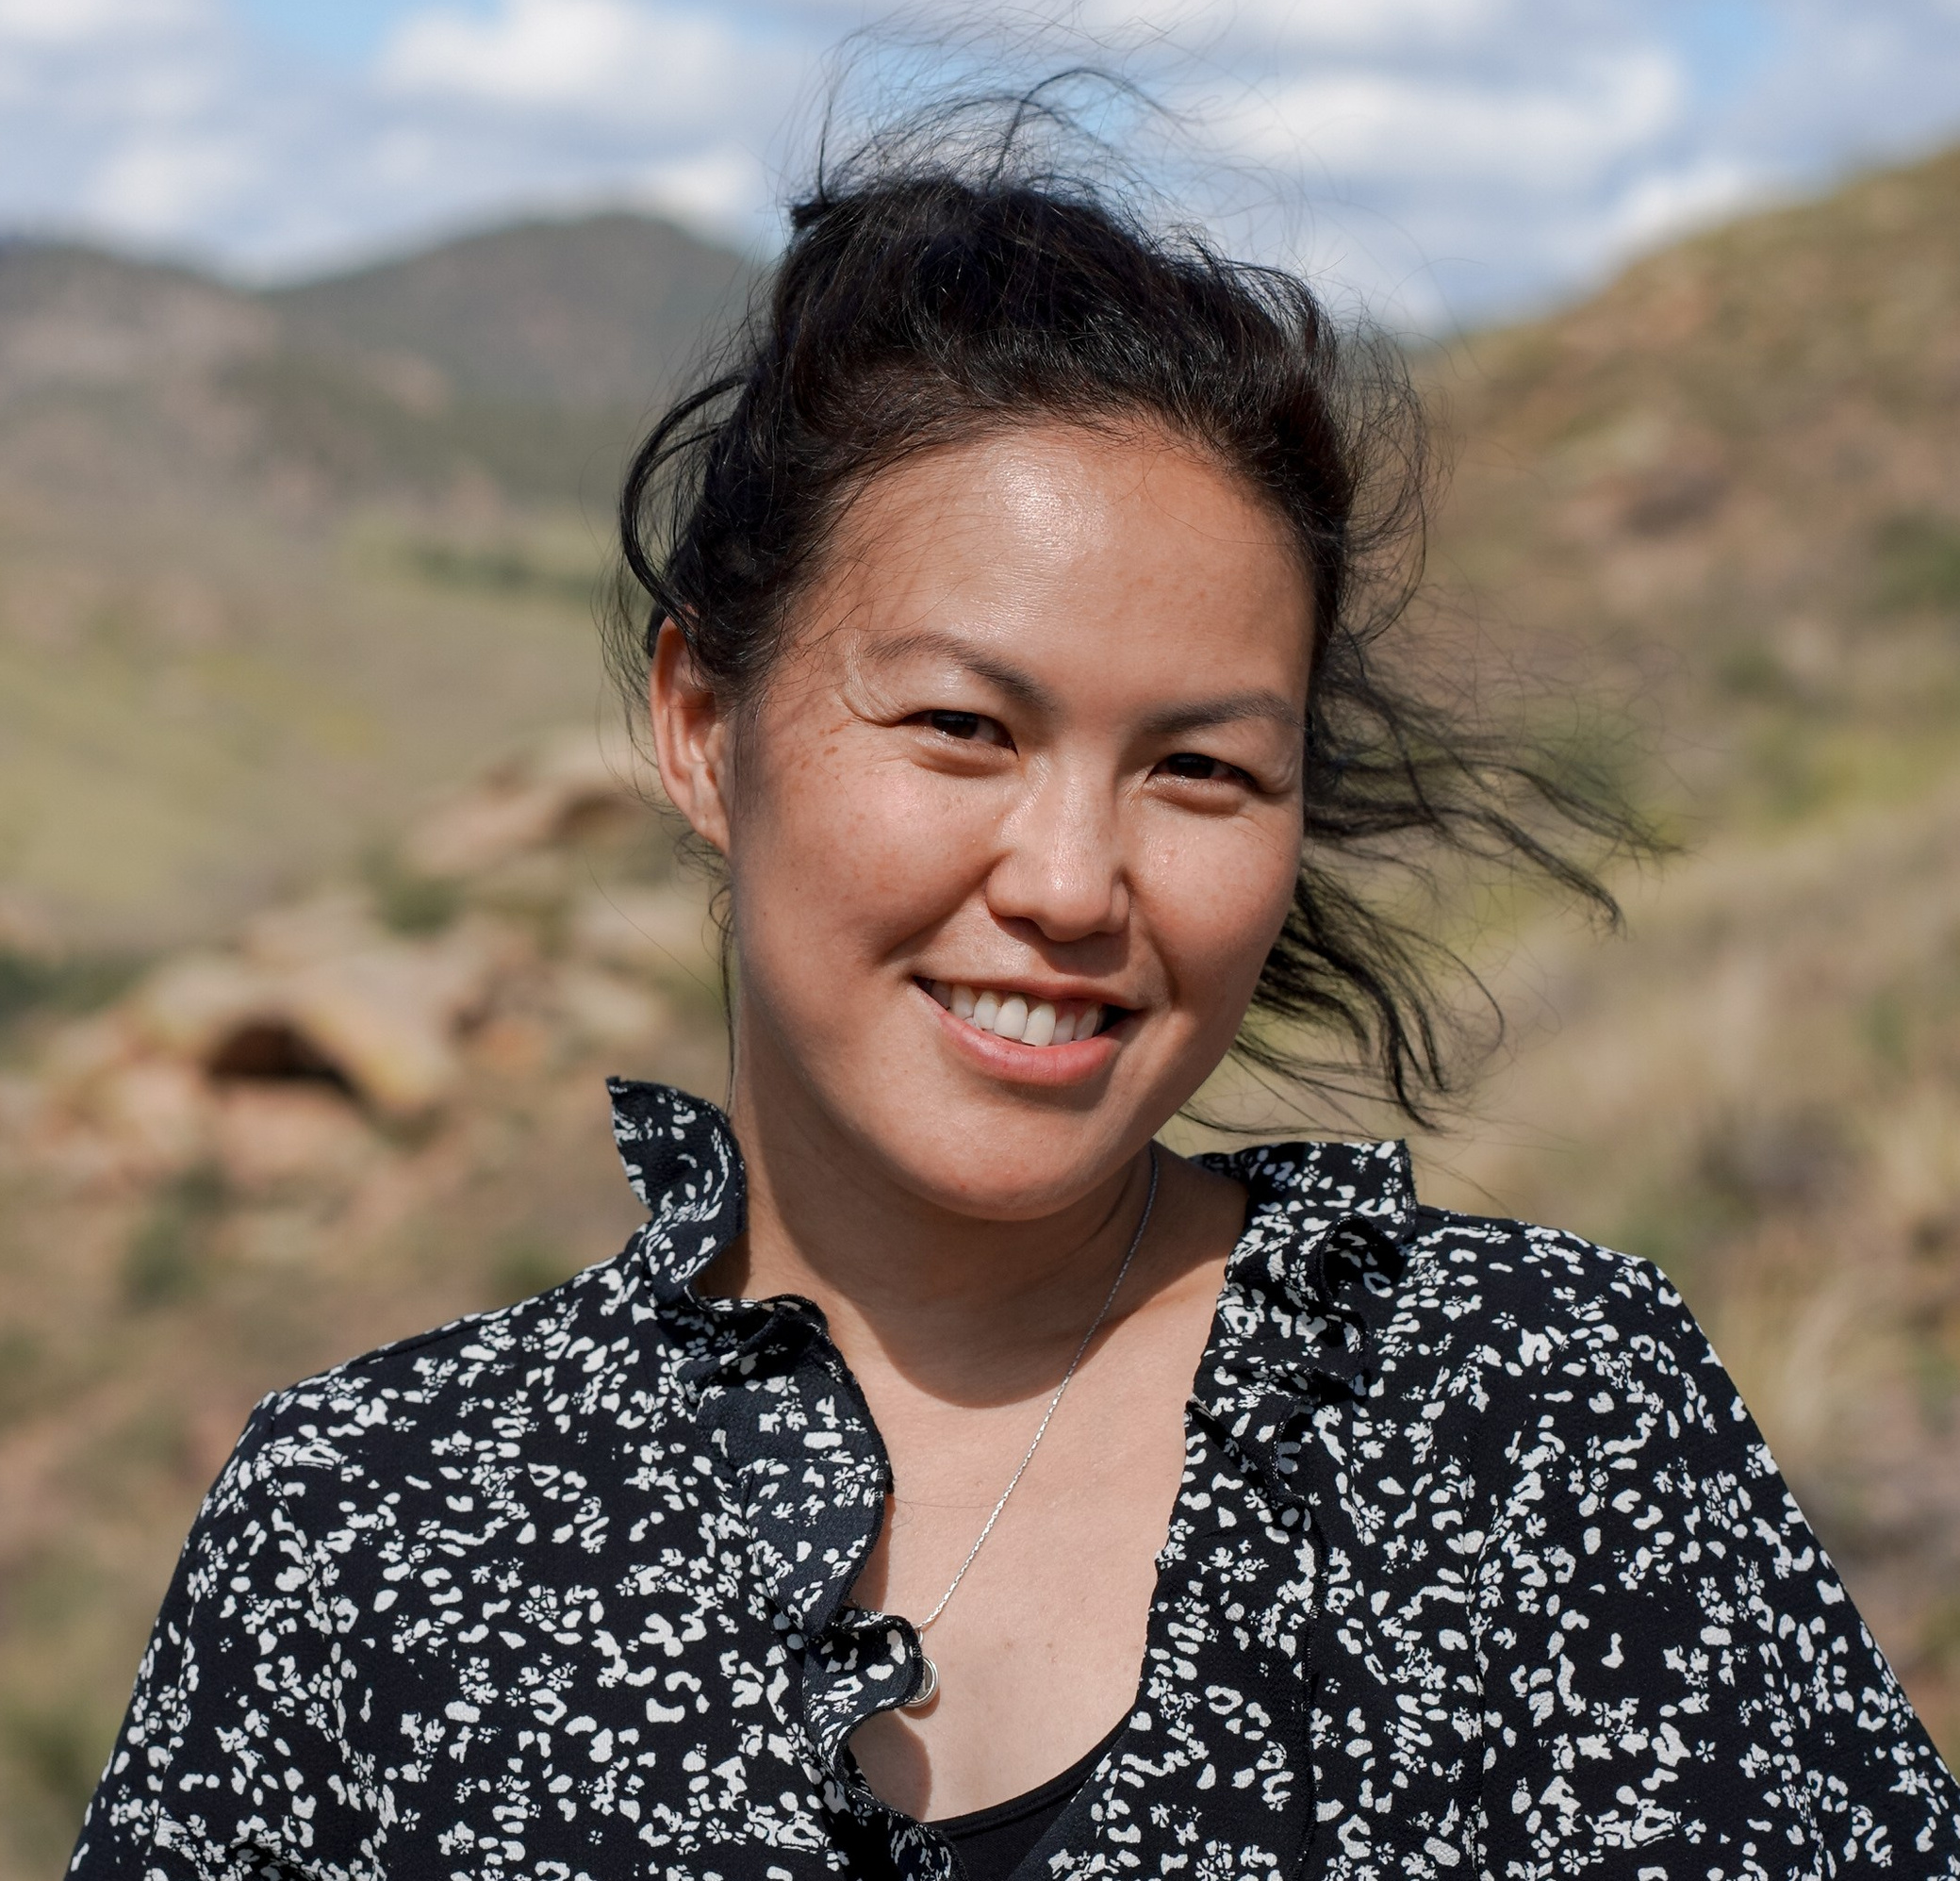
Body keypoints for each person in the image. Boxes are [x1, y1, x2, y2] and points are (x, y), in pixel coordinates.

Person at [70, 97, 1960, 1881]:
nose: (1068, 885)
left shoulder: (1538, 1426)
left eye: (1201, 769)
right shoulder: (373, 1530)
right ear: (702, 724)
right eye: (962, 724)